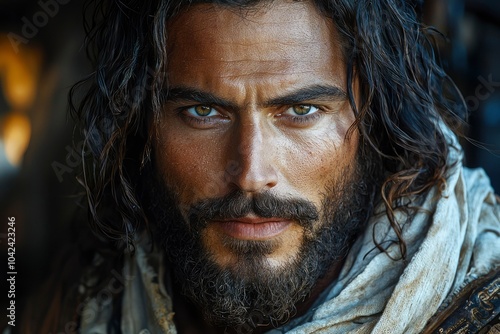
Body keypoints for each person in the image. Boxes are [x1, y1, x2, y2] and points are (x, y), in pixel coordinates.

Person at [22, 0, 500, 333]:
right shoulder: (84, 294)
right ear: (142, 125)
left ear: (374, 122)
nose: (251, 172)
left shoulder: (480, 307)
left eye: (301, 111)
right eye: (203, 113)